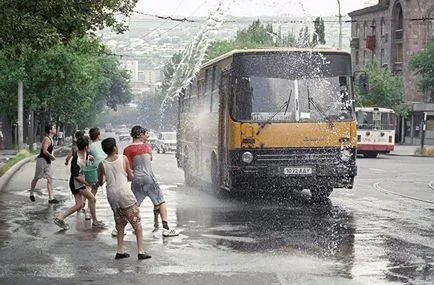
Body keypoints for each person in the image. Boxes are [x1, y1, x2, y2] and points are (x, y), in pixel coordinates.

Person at [98, 137, 151, 260]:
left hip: (112, 196)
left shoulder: (102, 164)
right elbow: (131, 176)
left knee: (120, 223)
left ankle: (120, 251)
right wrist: (128, 175)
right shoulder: (123, 158)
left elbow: (100, 182)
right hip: (125, 195)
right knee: (137, 224)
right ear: (115, 148)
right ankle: (141, 251)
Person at [123, 125, 179, 237]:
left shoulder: (128, 149)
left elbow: (128, 166)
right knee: (161, 201)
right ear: (139, 135)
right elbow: (150, 159)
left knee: (133, 206)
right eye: (145, 134)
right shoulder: (147, 147)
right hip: (149, 179)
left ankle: (119, 228)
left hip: (136, 180)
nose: (147, 136)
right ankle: (166, 228)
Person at [53, 136, 105, 230]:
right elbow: (76, 176)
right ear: (85, 147)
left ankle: (60, 217)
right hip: (76, 183)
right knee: (92, 199)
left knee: (79, 205)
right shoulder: (76, 160)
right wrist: (87, 183)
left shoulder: (85, 154)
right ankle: (95, 221)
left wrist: (91, 159)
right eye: (88, 145)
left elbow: (88, 161)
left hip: (78, 182)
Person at [29, 124, 59, 203]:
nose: (55, 129)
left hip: (47, 161)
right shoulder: (47, 139)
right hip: (42, 160)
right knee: (37, 177)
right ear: (50, 130)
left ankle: (51, 198)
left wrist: (52, 155)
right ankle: (31, 193)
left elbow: (50, 150)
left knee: (49, 179)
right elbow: (45, 151)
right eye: (54, 128)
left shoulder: (51, 139)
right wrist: (52, 157)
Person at [84, 127, 107, 220]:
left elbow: (87, 158)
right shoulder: (103, 144)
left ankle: (88, 211)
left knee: (94, 190)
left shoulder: (89, 147)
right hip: (107, 167)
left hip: (96, 169)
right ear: (98, 135)